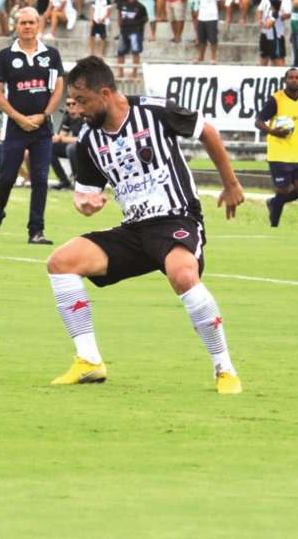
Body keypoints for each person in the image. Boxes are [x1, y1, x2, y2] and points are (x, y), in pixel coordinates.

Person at [44, 55, 245, 394]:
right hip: (134, 230)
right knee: (61, 263)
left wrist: (231, 184)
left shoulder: (153, 112)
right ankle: (89, 361)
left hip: (176, 218)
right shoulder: (90, 139)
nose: (75, 109)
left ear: (105, 93)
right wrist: (85, 203)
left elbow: (207, 131)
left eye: (81, 101)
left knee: (182, 275)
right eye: (72, 102)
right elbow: (85, 194)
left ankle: (224, 368)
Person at [0, 7, 65, 245]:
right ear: (16, 26)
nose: (27, 26)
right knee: (7, 177)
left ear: (38, 25)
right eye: (22, 23)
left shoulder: (51, 54)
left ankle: (36, 231)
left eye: (31, 22)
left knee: (40, 179)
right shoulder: (5, 56)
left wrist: (44, 115)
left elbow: (58, 87)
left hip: (42, 128)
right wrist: (18, 117)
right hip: (15, 128)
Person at [254, 68, 298, 227]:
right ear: (285, 80)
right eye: (291, 78)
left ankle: (273, 203)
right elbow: (258, 121)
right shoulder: (276, 99)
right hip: (278, 153)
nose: (294, 80)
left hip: (297, 153)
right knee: (282, 189)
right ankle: (274, 226)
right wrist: (272, 131)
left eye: (297, 78)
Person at [50, 96, 83, 189]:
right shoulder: (68, 117)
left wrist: (61, 138)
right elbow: (61, 136)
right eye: (68, 104)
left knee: (71, 148)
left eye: (74, 103)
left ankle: (79, 182)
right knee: (50, 148)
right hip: (75, 146)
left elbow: (83, 139)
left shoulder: (85, 117)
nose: (71, 106)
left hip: (87, 148)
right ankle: (64, 181)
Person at [258, 0, 292, 66]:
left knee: (278, 57)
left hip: (277, 33)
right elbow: (260, 9)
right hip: (265, 32)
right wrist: (261, 20)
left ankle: (280, 77)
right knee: (263, 55)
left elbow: (288, 14)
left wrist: (276, 16)